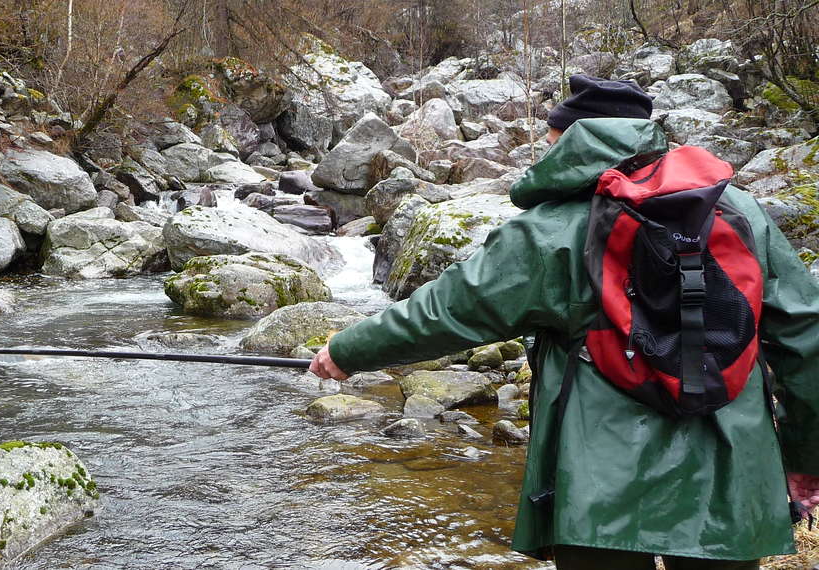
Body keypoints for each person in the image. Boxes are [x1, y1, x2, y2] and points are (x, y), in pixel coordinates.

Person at [309, 74, 819, 569]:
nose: (544, 151)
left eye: (551, 139)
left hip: (599, 486)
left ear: (572, 141)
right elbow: (805, 339)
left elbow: (447, 311)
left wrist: (347, 351)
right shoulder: (742, 212)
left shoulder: (547, 231)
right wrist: (806, 459)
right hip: (732, 469)